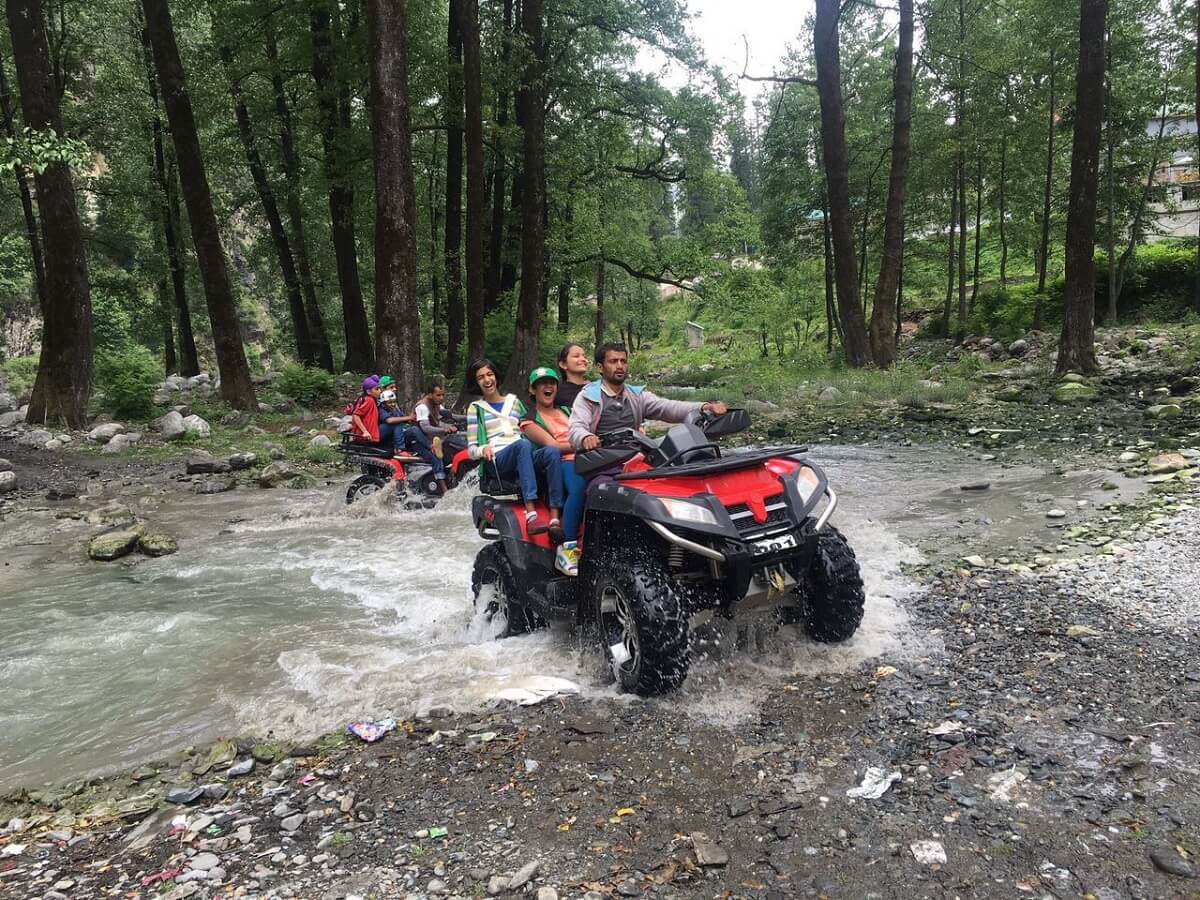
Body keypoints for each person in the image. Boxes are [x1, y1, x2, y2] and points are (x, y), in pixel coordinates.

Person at [568, 341, 727, 453]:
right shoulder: (588, 397)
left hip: (635, 456)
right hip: (600, 462)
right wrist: (585, 437)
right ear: (600, 367)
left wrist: (704, 406)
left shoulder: (636, 396)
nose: (620, 366)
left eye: (623, 361)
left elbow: (668, 407)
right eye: (613, 361)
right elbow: (576, 427)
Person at [466, 358, 564, 533]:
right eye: (481, 377)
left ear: (496, 376)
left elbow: (530, 426)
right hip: (498, 459)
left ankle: (555, 516)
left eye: (490, 374)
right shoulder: (476, 408)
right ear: (476, 382)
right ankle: (531, 514)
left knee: (551, 451)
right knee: (522, 445)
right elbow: (472, 450)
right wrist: (483, 449)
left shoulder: (515, 402)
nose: (487, 380)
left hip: (523, 454)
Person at [520, 367, 586, 576]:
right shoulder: (529, 419)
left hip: (587, 456)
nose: (548, 386)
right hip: (561, 460)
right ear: (533, 390)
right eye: (542, 383)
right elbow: (553, 446)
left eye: (552, 383)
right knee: (578, 488)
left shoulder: (567, 410)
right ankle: (567, 548)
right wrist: (585, 444)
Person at [414, 376, 463, 462]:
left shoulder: (437, 404)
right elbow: (426, 428)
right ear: (430, 395)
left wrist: (469, 417)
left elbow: (451, 416)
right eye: (438, 395)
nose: (441, 398)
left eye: (443, 395)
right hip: (422, 441)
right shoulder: (422, 406)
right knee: (437, 459)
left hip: (435, 438)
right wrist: (445, 430)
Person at [554, 342, 591, 411]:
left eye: (584, 356)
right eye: (576, 356)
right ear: (563, 364)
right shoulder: (556, 392)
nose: (583, 359)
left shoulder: (594, 388)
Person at [377, 389, 416, 454]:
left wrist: (414, 419)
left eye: (394, 402)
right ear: (383, 404)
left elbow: (405, 419)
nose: (393, 404)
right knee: (396, 422)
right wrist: (409, 417)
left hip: (393, 437)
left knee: (414, 430)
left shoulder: (395, 410)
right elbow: (389, 420)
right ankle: (399, 449)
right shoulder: (381, 410)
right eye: (390, 403)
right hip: (381, 435)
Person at [349, 376, 383, 444]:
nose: (380, 391)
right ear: (368, 391)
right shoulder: (369, 400)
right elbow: (356, 415)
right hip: (366, 436)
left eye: (380, 388)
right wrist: (365, 431)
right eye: (377, 389)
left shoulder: (369, 399)